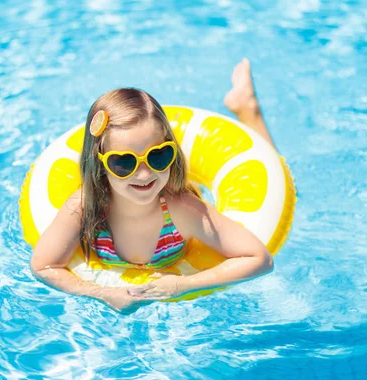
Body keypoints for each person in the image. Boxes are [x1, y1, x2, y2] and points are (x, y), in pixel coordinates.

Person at [30, 58, 276, 313]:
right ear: (99, 164)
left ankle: (248, 110)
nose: (145, 174)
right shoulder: (83, 208)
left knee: (283, 178)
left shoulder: (182, 209)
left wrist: (185, 284)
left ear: (173, 150)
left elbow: (259, 259)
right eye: (124, 163)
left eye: (158, 156)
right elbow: (43, 266)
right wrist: (101, 293)